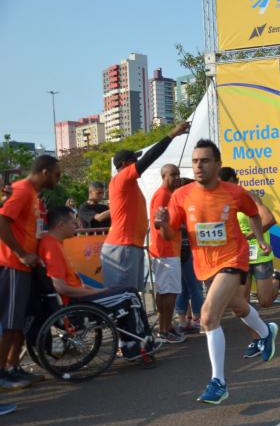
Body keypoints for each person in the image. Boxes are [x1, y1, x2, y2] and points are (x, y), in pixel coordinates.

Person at [154, 139, 278, 405]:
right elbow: (170, 233)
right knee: (238, 306)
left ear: (217, 164)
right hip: (205, 264)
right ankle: (266, 333)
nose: (198, 166)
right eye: (195, 161)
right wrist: (161, 225)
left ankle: (218, 382)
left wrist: (259, 238)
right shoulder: (181, 196)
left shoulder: (234, 192)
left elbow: (255, 214)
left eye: (205, 160)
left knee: (208, 316)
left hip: (234, 258)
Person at [38, 206, 157, 360]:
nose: (77, 227)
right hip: (74, 306)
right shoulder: (51, 247)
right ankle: (139, 346)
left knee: (124, 293)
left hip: (78, 299)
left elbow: (73, 283)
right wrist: (95, 292)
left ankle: (131, 344)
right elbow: (61, 288)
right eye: (74, 223)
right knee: (129, 295)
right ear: (60, 225)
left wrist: (98, 290)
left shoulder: (55, 243)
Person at [101, 121, 189, 290]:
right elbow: (150, 158)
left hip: (129, 246)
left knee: (131, 296)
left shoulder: (130, 185)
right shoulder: (121, 179)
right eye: (134, 161)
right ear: (126, 165)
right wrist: (172, 134)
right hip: (122, 246)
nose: (138, 164)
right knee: (123, 297)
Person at [0, 155, 60, 391]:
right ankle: (2, 372)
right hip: (12, 265)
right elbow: (2, 221)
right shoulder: (22, 190)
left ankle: (14, 367)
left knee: (22, 321)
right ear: (45, 172)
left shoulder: (33, 194)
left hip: (25, 268)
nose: (58, 178)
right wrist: (22, 253)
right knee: (11, 323)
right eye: (57, 173)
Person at [219, 168, 280, 359]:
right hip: (238, 258)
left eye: (229, 183)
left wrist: (248, 236)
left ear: (236, 181)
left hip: (259, 255)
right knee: (241, 303)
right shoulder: (219, 201)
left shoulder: (249, 197)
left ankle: (276, 281)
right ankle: (257, 339)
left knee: (265, 302)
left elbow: (269, 220)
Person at [148, 164, 186, 344]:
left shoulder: (168, 194)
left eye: (178, 174)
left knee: (165, 291)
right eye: (173, 174)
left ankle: (166, 327)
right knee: (169, 292)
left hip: (166, 250)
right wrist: (170, 231)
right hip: (166, 250)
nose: (177, 177)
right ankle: (165, 330)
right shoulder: (163, 195)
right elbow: (159, 223)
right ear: (164, 176)